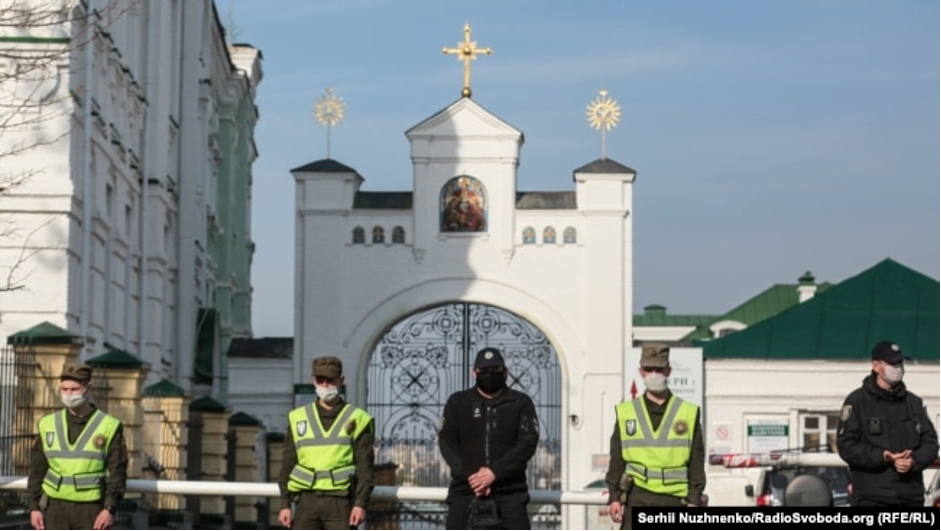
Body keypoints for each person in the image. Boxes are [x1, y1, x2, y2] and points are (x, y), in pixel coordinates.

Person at [605, 344, 705, 531]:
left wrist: (694, 500)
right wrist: (614, 497)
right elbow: (617, 459)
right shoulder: (626, 412)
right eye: (649, 369)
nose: (654, 374)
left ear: (668, 370)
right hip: (637, 498)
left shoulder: (688, 412)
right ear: (641, 372)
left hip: (675, 500)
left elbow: (696, 461)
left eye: (659, 369)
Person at [438, 347, 539, 531]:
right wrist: (474, 477)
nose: (489, 375)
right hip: (465, 492)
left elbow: (527, 442)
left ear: (505, 372)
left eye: (495, 371)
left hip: (510, 495)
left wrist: (493, 473)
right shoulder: (458, 402)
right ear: (474, 373)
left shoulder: (520, 402)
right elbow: (447, 442)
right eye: (483, 371)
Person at [28, 361, 128, 531]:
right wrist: (34, 507)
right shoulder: (48, 424)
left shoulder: (108, 426)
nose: (68, 394)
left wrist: (109, 509)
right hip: (54, 509)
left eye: (74, 389)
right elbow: (37, 469)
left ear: (89, 388)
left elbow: (117, 471)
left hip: (91, 510)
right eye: (64, 389)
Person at [278, 356, 375, 531]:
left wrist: (360, 504)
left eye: (330, 380)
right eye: (320, 380)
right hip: (306, 502)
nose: (324, 385)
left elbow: (365, 467)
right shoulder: (298, 417)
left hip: (341, 503)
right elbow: (287, 462)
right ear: (313, 380)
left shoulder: (358, 418)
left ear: (341, 380)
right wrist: (285, 504)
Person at [837, 340, 939, 507]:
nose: (898, 368)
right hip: (872, 497)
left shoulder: (913, 403)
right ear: (876, 366)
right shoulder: (857, 402)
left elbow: (931, 444)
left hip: (910, 497)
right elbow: (846, 446)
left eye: (900, 363)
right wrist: (882, 456)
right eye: (892, 363)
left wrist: (914, 461)